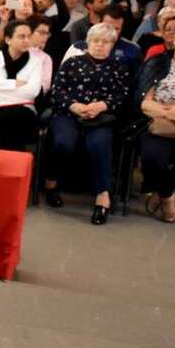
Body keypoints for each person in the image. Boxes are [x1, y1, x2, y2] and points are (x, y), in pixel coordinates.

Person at [44, 23, 129, 225]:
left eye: (105, 41)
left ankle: (103, 196)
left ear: (112, 44)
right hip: (69, 113)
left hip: (101, 117)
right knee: (64, 142)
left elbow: (123, 95)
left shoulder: (119, 67)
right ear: (88, 42)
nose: (100, 45)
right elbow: (57, 91)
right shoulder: (72, 62)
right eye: (96, 40)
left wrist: (102, 105)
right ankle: (51, 182)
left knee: (99, 144)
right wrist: (74, 105)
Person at [0, 20, 41, 150]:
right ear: (8, 39)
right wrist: (14, 83)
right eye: (21, 36)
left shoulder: (36, 61)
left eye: (29, 36)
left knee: (14, 117)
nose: (26, 40)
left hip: (23, 112)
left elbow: (32, 91)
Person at [137, 50, 175, 222]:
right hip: (157, 121)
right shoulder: (158, 62)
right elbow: (145, 102)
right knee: (152, 157)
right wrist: (168, 112)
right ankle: (167, 195)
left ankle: (162, 192)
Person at [29, 16, 54, 97]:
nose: (45, 36)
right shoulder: (16, 50)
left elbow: (45, 87)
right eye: (42, 32)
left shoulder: (46, 58)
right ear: (29, 31)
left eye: (47, 33)